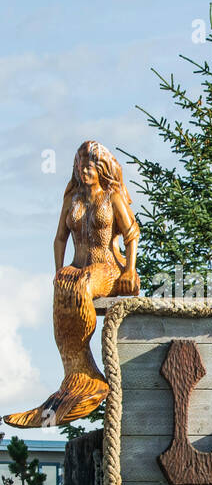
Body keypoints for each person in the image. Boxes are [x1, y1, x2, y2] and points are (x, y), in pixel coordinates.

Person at [5, 140, 140, 428]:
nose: (84, 171)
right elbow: (59, 238)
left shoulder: (112, 197)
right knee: (65, 288)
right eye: (80, 166)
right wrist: (58, 271)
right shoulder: (73, 200)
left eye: (90, 166)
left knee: (80, 286)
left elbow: (131, 234)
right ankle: (75, 376)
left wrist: (130, 271)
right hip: (79, 269)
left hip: (108, 269)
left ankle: (91, 380)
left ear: (101, 168)